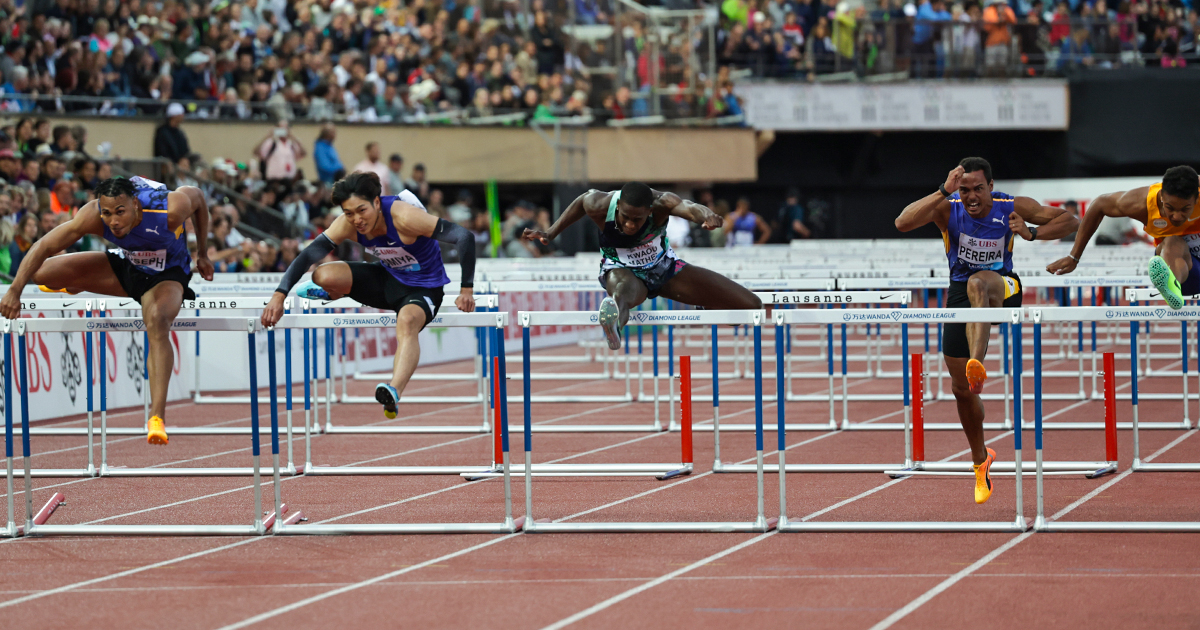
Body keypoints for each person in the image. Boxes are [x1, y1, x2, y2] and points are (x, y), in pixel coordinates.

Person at [895, 158, 1077, 504]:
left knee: (981, 282)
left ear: (990, 187)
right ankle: (981, 461)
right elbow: (902, 222)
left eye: (978, 188)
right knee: (961, 391)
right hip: (959, 293)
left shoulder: (1011, 206)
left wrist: (1032, 233)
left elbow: (1070, 220)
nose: (972, 196)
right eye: (965, 190)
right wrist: (943, 190)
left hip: (1003, 287)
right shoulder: (947, 208)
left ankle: (976, 362)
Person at [0, 176, 213, 446]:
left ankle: (156, 417)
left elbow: (200, 200)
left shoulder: (169, 209)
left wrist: (202, 253)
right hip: (127, 265)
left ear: (136, 205)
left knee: (157, 320)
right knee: (42, 273)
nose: (113, 221)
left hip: (167, 273)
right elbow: (42, 246)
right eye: (107, 213)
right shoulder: (92, 215)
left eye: (120, 212)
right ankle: (78, 283)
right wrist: (14, 290)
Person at [261, 171, 477, 419]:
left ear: (377, 202)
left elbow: (464, 236)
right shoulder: (347, 223)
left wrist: (466, 289)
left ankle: (393, 390)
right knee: (321, 275)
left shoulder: (404, 217)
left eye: (361, 211)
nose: (356, 220)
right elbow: (309, 253)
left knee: (406, 322)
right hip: (386, 280)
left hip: (423, 288)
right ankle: (335, 293)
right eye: (349, 213)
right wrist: (279, 295)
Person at [522, 182, 762, 350]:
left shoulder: (662, 202)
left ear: (650, 211)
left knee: (751, 306)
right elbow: (580, 202)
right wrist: (551, 233)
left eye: (637, 219)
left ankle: (708, 303)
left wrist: (707, 215)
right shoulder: (599, 203)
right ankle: (613, 324)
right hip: (621, 268)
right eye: (625, 216)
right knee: (623, 293)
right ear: (617, 208)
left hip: (665, 267)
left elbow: (689, 207)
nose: (629, 224)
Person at [1047, 166, 1200, 310]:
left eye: (1185, 209)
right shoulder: (1142, 203)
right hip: (1185, 271)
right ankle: (1172, 286)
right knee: (1172, 241)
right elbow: (1100, 204)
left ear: (1196, 197)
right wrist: (1074, 256)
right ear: (1162, 197)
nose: (1177, 216)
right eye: (1170, 208)